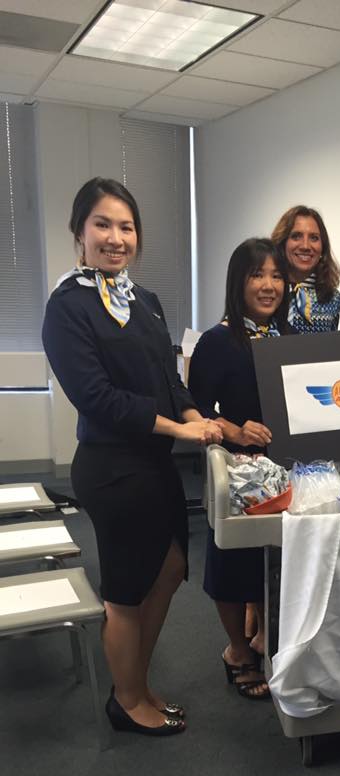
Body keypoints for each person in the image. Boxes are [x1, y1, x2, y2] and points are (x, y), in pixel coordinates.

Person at [42, 177, 222, 736]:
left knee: (169, 569)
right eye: (102, 224)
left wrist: (194, 416)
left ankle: (138, 682)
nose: (116, 238)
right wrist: (178, 428)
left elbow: (170, 377)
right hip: (112, 467)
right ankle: (126, 701)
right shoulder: (67, 306)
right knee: (125, 590)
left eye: (126, 226)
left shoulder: (143, 301)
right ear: (79, 232)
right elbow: (98, 398)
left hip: (154, 463)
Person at [189, 238, 290, 700]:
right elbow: (193, 407)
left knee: (276, 558)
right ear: (238, 282)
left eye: (277, 276)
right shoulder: (217, 341)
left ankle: (266, 636)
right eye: (257, 275)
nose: (269, 285)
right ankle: (237, 650)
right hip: (236, 469)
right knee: (233, 561)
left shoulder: (288, 338)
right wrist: (234, 429)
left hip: (284, 469)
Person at [271, 205, 340, 333]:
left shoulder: (333, 299)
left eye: (314, 238)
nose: (305, 246)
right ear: (282, 243)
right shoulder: (267, 291)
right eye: (296, 236)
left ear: (323, 247)